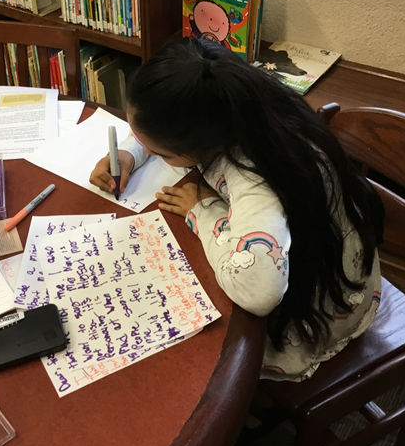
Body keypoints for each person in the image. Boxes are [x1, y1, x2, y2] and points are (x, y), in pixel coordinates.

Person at [89, 38, 384, 383]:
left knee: (192, 361)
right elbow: (150, 123)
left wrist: (204, 210)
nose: (151, 154)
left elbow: (259, 291)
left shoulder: (254, 179)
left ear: (200, 143)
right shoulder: (242, 97)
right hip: (326, 248)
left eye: (160, 153)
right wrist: (130, 154)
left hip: (320, 308)